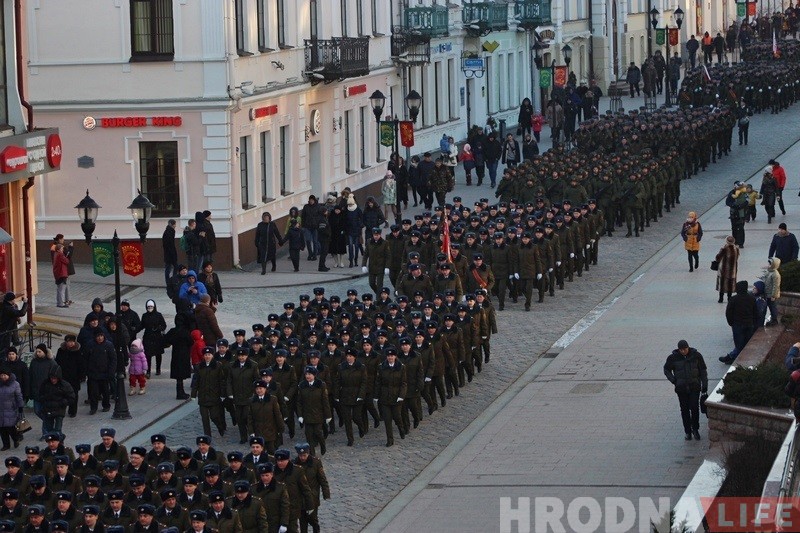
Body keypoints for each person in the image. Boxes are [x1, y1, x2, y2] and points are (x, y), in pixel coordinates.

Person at [664, 340, 708, 441]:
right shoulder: (672, 358)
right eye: (681, 350)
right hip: (681, 388)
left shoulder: (696, 356)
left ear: (688, 347)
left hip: (694, 387)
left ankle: (695, 429)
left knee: (694, 407)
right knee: (684, 410)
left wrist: (704, 385)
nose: (683, 351)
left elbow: (703, 371)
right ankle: (687, 431)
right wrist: (674, 380)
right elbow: (666, 370)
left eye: (685, 349)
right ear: (678, 349)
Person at [191, 347, 227, 437]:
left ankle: (220, 426)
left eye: (209, 355)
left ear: (212, 355)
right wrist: (193, 394)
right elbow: (196, 381)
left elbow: (221, 381)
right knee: (204, 418)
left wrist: (222, 394)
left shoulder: (218, 366)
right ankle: (207, 436)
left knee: (214, 416)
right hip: (203, 396)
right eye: (206, 355)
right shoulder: (199, 366)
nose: (207, 356)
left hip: (214, 396)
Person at [721, 280, 759, 364]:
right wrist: (755, 324)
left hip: (737, 324)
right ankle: (733, 358)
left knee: (739, 343)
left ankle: (735, 359)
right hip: (749, 324)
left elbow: (728, 313)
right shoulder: (751, 299)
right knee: (746, 343)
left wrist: (731, 323)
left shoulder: (734, 299)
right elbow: (755, 312)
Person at [29, 343, 58, 437]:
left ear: (44, 352)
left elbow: (56, 375)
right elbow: (30, 376)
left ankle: (45, 433)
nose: (38, 353)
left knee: (45, 412)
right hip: (36, 391)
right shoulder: (34, 362)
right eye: (36, 351)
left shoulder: (51, 362)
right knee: (37, 411)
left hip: (47, 392)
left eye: (39, 351)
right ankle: (49, 422)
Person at [37, 366, 75, 439]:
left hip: (59, 410)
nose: (53, 380)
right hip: (48, 409)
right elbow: (40, 394)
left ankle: (59, 443)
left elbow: (71, 398)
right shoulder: (45, 384)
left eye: (55, 378)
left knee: (57, 430)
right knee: (49, 429)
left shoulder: (64, 385)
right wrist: (44, 399)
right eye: (51, 378)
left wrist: (63, 402)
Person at [86, 329, 116, 414]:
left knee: (105, 391)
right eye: (98, 336)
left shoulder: (108, 345)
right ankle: (93, 408)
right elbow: (85, 358)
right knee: (93, 392)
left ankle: (106, 405)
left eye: (101, 336)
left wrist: (111, 371)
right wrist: (87, 371)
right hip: (93, 373)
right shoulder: (90, 345)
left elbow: (113, 359)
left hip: (105, 373)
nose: (99, 338)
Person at [164, 314, 193, 400]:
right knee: (181, 374)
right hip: (184, 355)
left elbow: (166, 340)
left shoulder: (173, 331)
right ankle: (180, 393)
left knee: (178, 375)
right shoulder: (185, 332)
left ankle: (180, 392)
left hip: (176, 354)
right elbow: (191, 342)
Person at [137, 299, 166, 377]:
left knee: (158, 354)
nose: (149, 308)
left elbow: (164, 325)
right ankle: (148, 370)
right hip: (148, 337)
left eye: (151, 306)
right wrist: (135, 330)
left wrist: (158, 328)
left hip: (157, 337)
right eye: (148, 307)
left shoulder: (158, 315)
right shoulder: (144, 315)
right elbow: (142, 325)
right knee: (147, 354)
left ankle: (158, 369)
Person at [0, 368, 23, 450]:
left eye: (4, 375)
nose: (3, 377)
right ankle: (6, 445)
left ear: (8, 375)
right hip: (1, 410)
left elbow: (19, 396)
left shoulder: (15, 384)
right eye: (1, 375)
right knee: (2, 429)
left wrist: (20, 406)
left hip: (11, 409)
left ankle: (16, 439)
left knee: (11, 427)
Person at [715, 236, 739, 303]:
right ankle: (729, 298)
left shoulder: (724, 249)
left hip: (724, 269)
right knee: (730, 284)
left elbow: (717, 258)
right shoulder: (736, 249)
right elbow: (737, 258)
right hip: (733, 269)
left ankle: (721, 298)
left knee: (722, 283)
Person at [301, 195, 324, 261]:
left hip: (315, 227)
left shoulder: (318, 207)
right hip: (307, 226)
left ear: (314, 200)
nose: (311, 201)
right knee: (308, 240)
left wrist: (319, 225)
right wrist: (303, 226)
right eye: (310, 200)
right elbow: (303, 216)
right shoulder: (306, 207)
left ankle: (314, 255)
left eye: (312, 200)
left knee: (315, 241)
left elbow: (320, 216)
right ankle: (310, 254)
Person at [764, 257, 782, 326]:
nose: (768, 265)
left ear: (773, 265)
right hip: (767, 293)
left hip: (771, 294)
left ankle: (774, 320)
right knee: (770, 306)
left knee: (772, 307)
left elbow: (776, 286)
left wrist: (773, 295)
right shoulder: (769, 271)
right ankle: (772, 318)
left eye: (769, 264)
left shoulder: (775, 274)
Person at [52, 244, 70, 308]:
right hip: (62, 274)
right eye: (62, 248)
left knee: (59, 289)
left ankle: (59, 302)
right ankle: (61, 303)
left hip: (58, 274)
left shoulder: (56, 254)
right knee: (62, 289)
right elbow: (67, 261)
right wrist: (66, 256)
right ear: (59, 249)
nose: (63, 250)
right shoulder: (60, 254)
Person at [162, 219, 178, 286]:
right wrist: (173, 254)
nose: (175, 226)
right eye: (174, 224)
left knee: (169, 268)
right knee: (170, 268)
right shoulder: (170, 232)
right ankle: (171, 281)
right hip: (170, 254)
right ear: (171, 224)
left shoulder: (167, 231)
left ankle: (170, 281)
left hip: (168, 253)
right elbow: (170, 245)